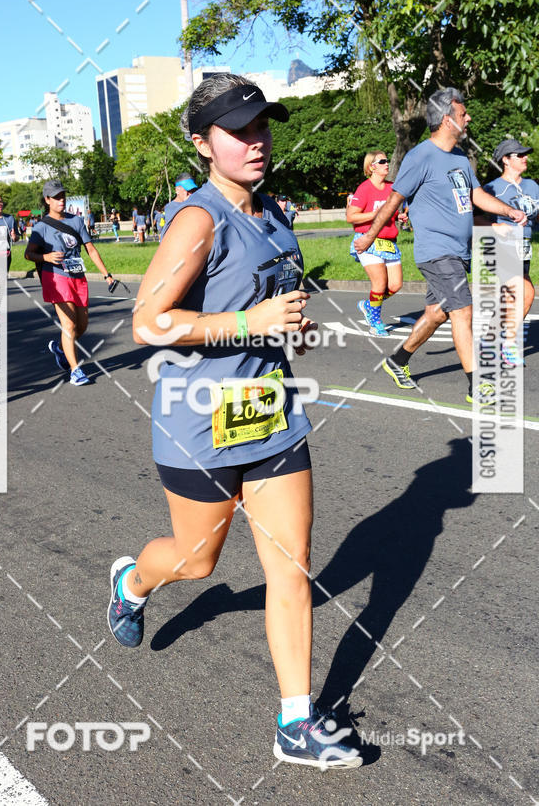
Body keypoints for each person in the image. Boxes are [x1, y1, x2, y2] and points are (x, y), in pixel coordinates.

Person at [107, 73, 362, 770]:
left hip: (272, 413)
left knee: (292, 566)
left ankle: (295, 724)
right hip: (199, 422)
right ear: (202, 144)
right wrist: (249, 322)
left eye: (262, 127)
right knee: (197, 561)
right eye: (238, 131)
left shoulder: (274, 212)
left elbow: (275, 300)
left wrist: (292, 329)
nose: (256, 141)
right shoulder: (199, 220)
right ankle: (132, 583)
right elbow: (148, 323)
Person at [355, 88, 527, 403]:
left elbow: (475, 196)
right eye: (463, 113)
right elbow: (394, 200)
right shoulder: (420, 156)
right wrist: (368, 236)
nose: (468, 118)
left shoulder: (459, 157)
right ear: (448, 120)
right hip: (436, 251)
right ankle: (477, 385)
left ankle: (398, 361)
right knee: (463, 310)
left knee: (436, 313)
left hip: (459, 253)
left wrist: (507, 212)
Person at [24, 180, 116, 386]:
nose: (61, 200)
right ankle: (75, 370)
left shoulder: (76, 221)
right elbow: (28, 254)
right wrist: (46, 257)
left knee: (81, 326)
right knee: (69, 324)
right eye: (56, 197)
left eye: (63, 196)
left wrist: (106, 275)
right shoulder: (41, 227)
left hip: (77, 276)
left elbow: (90, 249)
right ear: (47, 200)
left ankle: (59, 348)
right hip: (56, 278)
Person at [482, 139, 539, 365]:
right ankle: (508, 344)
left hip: (522, 248)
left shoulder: (533, 186)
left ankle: (491, 338)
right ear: (505, 160)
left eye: (525, 154)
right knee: (525, 292)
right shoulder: (492, 188)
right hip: (498, 246)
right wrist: (495, 226)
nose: (525, 158)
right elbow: (473, 218)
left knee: (512, 298)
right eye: (520, 155)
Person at [347, 151, 405, 336]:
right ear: (372, 167)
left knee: (395, 285)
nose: (387, 164)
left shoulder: (392, 187)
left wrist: (399, 216)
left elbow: (392, 212)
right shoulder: (364, 188)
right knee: (379, 284)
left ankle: (368, 305)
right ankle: (375, 322)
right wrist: (375, 214)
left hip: (389, 242)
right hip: (368, 241)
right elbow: (351, 217)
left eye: (387, 160)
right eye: (382, 161)